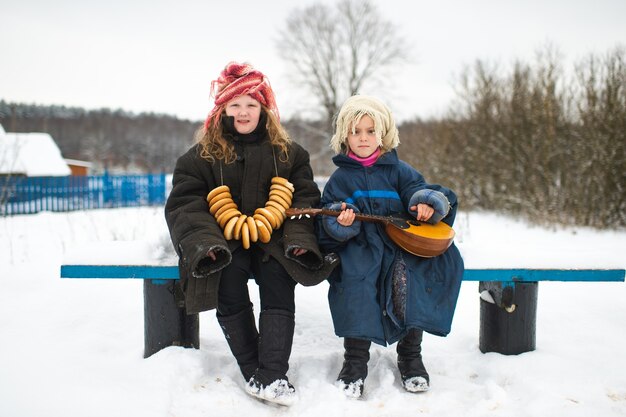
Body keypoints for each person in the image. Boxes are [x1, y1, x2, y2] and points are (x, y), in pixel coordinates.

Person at [164, 62, 337, 406]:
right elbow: (186, 205)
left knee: (278, 280)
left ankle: (272, 374)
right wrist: (204, 245)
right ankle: (253, 370)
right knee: (226, 281)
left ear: (264, 110)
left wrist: (299, 240)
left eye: (251, 105)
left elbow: (305, 200)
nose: (243, 113)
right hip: (223, 242)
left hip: (273, 239)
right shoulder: (199, 157)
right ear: (223, 110)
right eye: (235, 105)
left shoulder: (290, 154)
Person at [317, 94, 464, 398]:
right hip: (361, 248)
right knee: (356, 285)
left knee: (409, 280)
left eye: (370, 131)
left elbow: (419, 191)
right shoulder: (340, 178)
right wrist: (341, 223)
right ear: (344, 135)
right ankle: (354, 362)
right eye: (356, 131)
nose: (363, 138)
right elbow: (326, 219)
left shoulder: (399, 170)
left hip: (400, 247)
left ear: (383, 133)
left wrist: (424, 205)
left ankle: (411, 356)